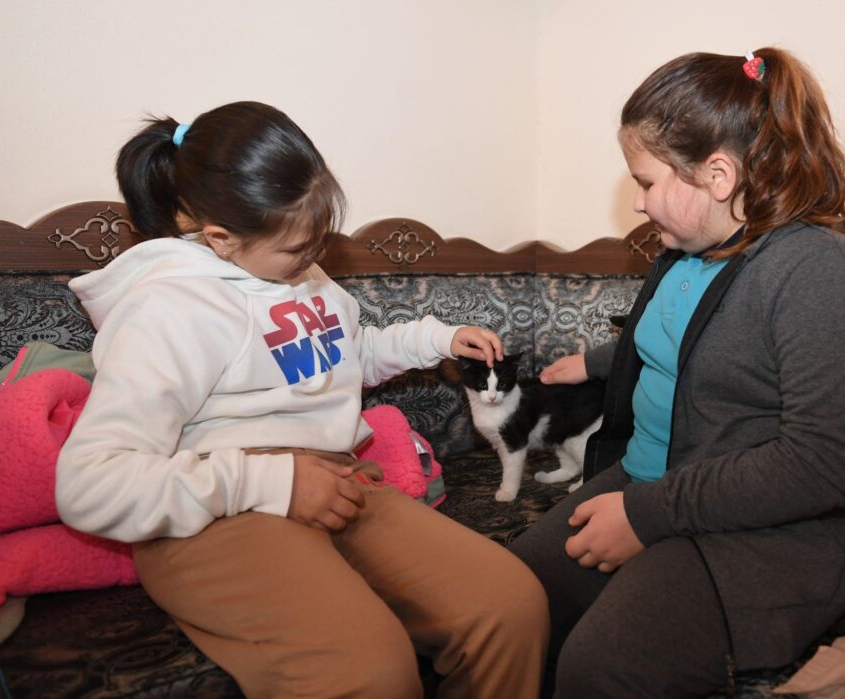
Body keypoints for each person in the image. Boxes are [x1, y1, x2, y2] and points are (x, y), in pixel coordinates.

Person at [55, 101, 548, 699]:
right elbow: (90, 485)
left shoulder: (295, 271)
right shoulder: (167, 309)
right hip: (218, 510)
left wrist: (435, 339)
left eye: (317, 243)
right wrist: (274, 484)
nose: (311, 262)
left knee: (509, 604)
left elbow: (341, 356)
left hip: (335, 481)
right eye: (296, 250)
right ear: (220, 239)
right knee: (367, 668)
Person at [509, 48, 845, 697]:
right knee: (504, 601)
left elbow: (821, 466)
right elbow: (685, 342)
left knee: (601, 665)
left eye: (645, 181)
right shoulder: (689, 251)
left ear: (717, 174)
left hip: (782, 530)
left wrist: (646, 514)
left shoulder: (826, 275)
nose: (637, 204)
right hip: (661, 483)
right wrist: (591, 363)